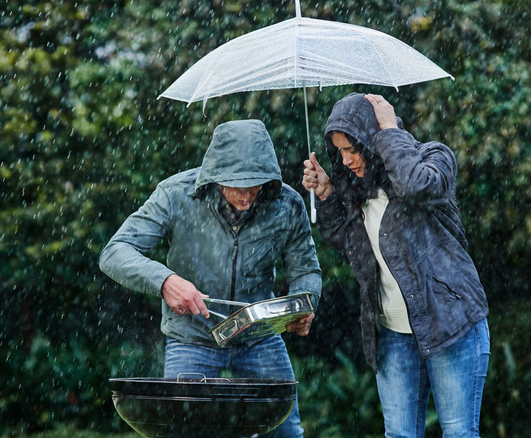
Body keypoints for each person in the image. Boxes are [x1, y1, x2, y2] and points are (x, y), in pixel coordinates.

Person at [100, 119, 322, 437]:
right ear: (215, 175)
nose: (247, 195)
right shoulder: (175, 195)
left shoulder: (287, 204)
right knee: (186, 431)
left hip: (259, 337)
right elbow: (115, 252)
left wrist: (303, 305)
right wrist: (164, 281)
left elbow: (306, 271)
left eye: (255, 184)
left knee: (285, 432)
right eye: (237, 184)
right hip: (192, 338)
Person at [302, 93, 490, 437]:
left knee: (459, 432)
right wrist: (328, 195)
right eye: (339, 151)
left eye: (351, 149)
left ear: (372, 140)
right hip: (391, 334)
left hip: (451, 324)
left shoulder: (434, 158)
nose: (344, 161)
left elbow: (414, 186)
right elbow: (348, 247)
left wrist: (388, 129)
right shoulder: (358, 189)